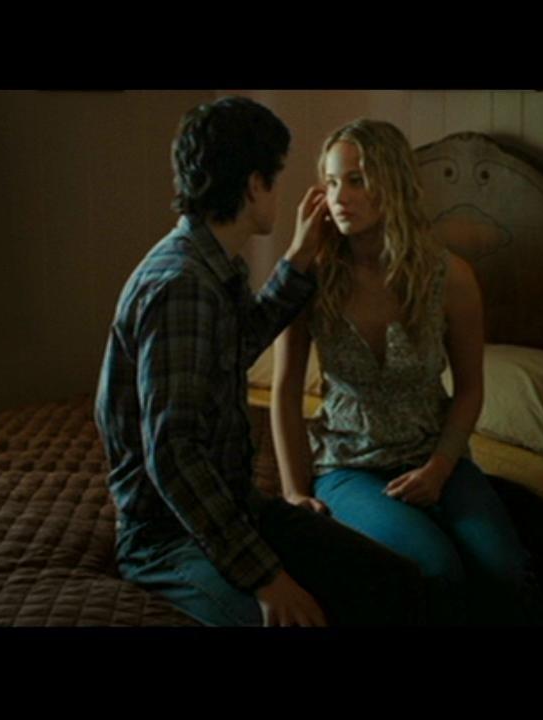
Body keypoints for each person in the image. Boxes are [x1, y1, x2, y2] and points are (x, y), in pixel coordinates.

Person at [94, 98, 424, 627]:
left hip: (237, 506)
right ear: (254, 185)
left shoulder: (213, 265)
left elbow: (239, 344)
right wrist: (267, 579)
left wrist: (298, 257)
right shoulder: (181, 286)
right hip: (169, 534)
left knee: (394, 583)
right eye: (276, 179)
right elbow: (174, 455)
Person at [270, 118, 540, 625]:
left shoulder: (449, 277)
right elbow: (285, 392)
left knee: (505, 570)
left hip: (434, 456)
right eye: (331, 182)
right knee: (433, 568)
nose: (339, 197)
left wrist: (439, 468)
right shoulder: (310, 277)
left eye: (356, 180)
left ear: (391, 183)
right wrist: (292, 491)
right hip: (348, 463)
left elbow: (470, 389)